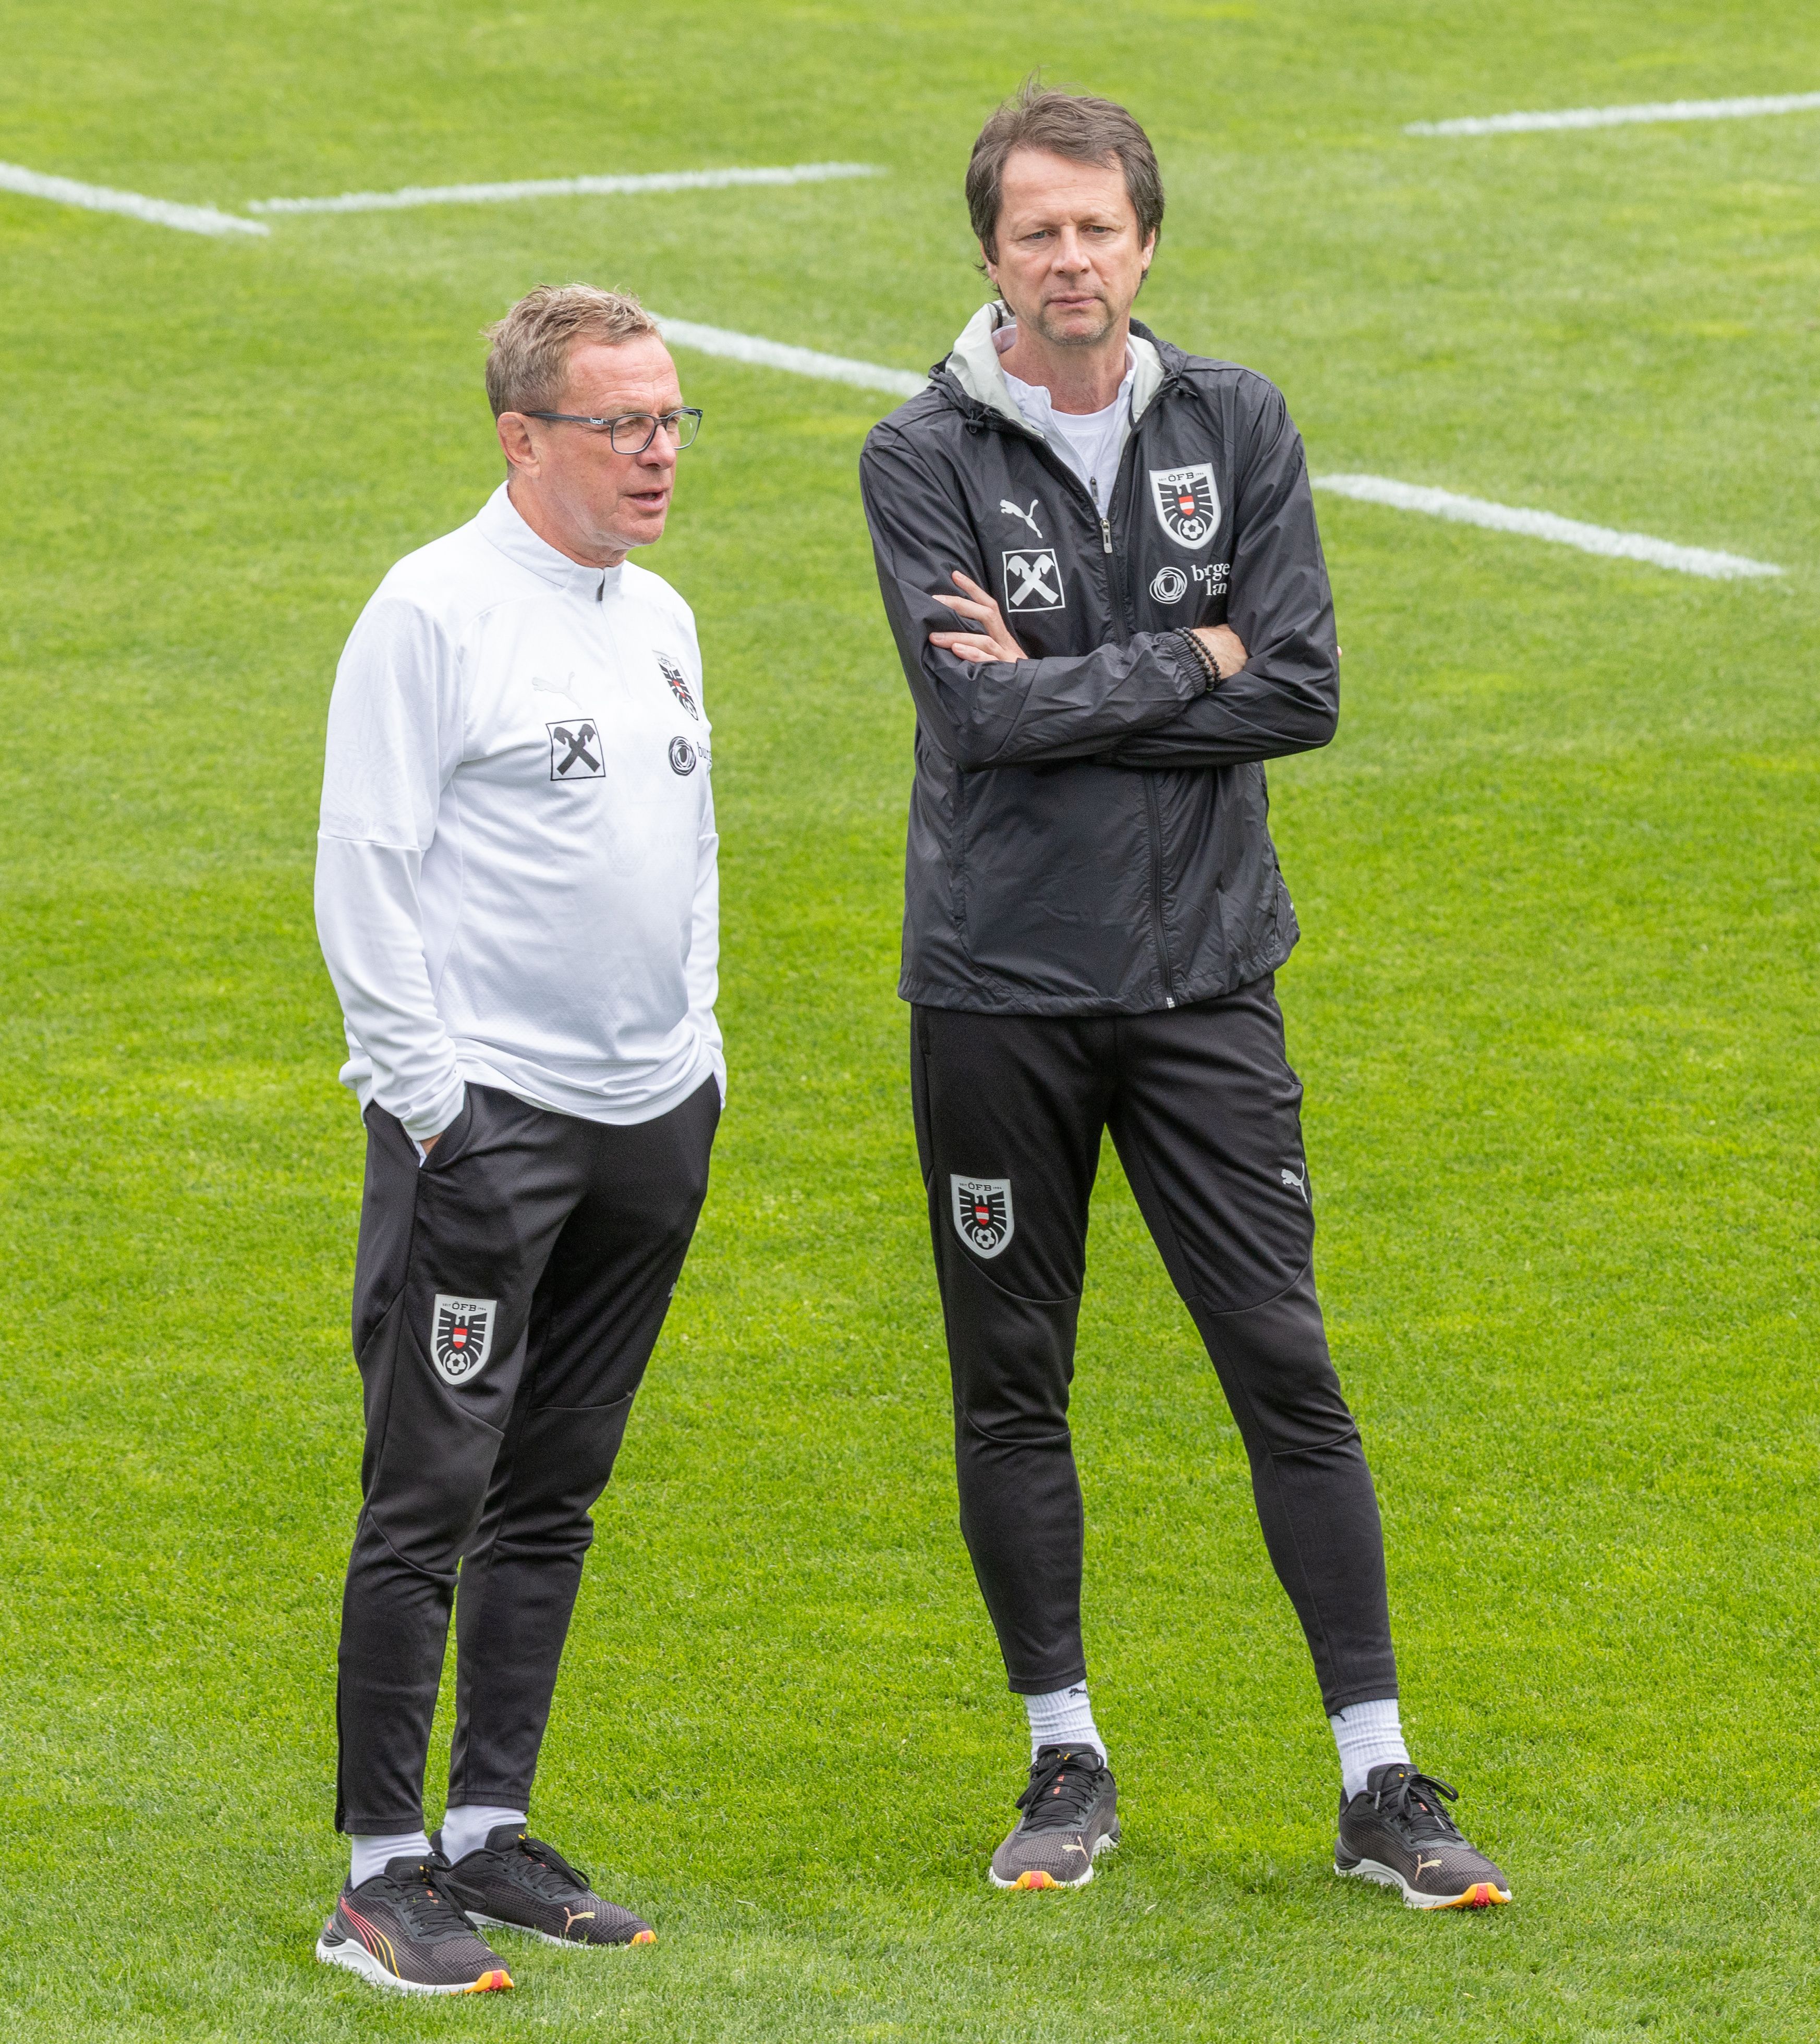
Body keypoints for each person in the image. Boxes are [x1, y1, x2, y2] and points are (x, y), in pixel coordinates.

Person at [858, 83, 1510, 1910]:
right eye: (1035, 230)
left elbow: (1299, 692)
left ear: (1146, 240)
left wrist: (1093, 677)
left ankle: (1378, 1783)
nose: (1070, 258)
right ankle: (1063, 1755)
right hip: (997, 994)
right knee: (1013, 1384)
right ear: (988, 253)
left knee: (1285, 1365)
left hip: (1208, 982)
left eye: (1098, 226)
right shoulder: (916, 460)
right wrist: (1192, 653)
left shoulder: (1238, 419)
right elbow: (971, 719)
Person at [312, 284, 722, 1993]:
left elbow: (683, 854)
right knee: (430, 1492)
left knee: (553, 1492)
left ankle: (491, 1828)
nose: (655, 453)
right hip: (490, 1129)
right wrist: (438, 1111)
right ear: (522, 439)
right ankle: (377, 1871)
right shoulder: (432, 611)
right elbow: (365, 872)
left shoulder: (662, 612)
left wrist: (701, 1062)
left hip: (650, 1124)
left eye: (673, 418)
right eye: (620, 423)